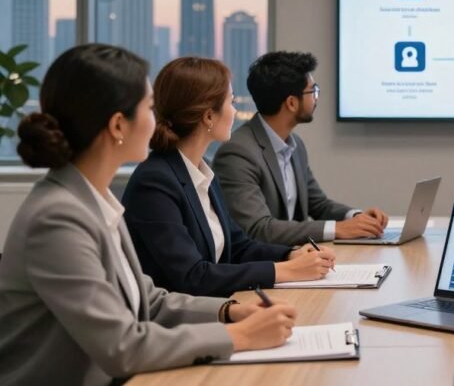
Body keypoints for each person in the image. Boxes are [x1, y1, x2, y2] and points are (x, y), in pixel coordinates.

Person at [0, 45, 297, 386]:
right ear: (117, 125)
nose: (158, 120)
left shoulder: (94, 199)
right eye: (149, 107)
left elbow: (149, 301)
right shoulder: (57, 219)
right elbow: (122, 345)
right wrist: (240, 337)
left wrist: (228, 312)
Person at [122, 57, 336, 298]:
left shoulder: (202, 173)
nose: (235, 111)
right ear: (208, 117)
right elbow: (193, 276)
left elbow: (239, 245)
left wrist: (290, 254)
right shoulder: (155, 183)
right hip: (180, 325)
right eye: (231, 102)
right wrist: (285, 270)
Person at [214, 51, 388, 245]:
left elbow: (318, 205)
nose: (316, 98)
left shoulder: (294, 145)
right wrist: (337, 229)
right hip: (266, 268)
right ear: (291, 103)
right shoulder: (238, 153)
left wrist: (356, 217)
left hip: (299, 259)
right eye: (312, 91)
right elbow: (258, 229)